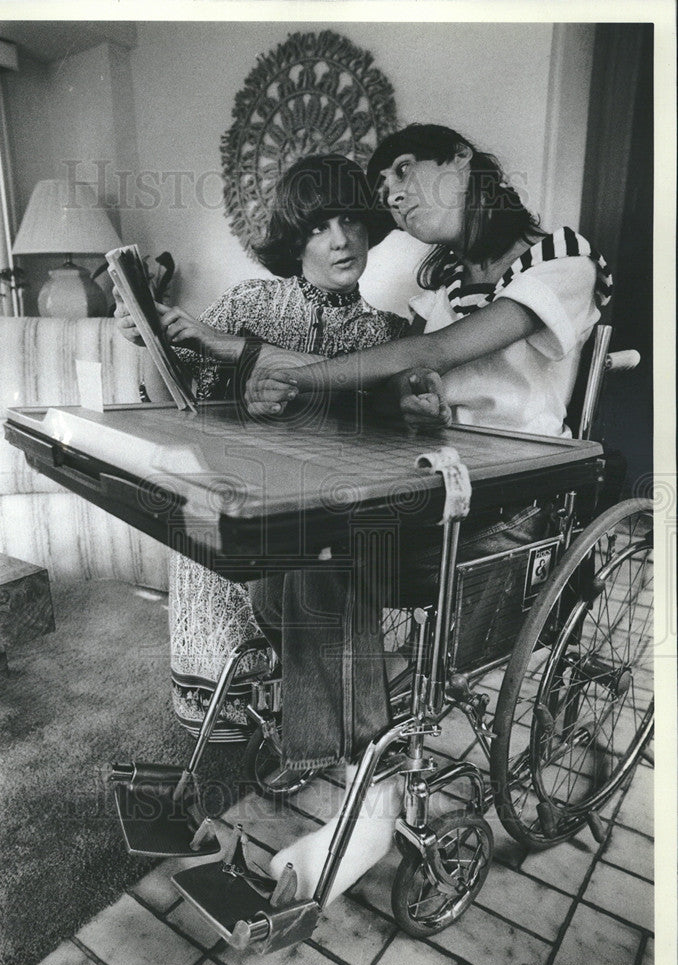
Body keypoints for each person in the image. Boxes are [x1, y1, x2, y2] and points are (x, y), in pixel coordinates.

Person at [242, 123, 613, 903]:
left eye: (406, 173)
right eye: (385, 191)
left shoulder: (562, 257)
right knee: (297, 574)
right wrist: (412, 406)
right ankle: (363, 776)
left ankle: (367, 814)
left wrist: (312, 376)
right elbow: (423, 383)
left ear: (464, 162)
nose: (397, 198)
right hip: (438, 498)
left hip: (516, 517)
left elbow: (433, 354)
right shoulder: (441, 279)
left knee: (324, 573)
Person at [115, 153, 408, 743]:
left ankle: (317, 735)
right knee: (225, 728)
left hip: (324, 508)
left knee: (317, 575)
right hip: (239, 495)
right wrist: (147, 341)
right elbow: (165, 396)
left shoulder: (389, 334)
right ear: (295, 240)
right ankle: (242, 729)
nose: (341, 240)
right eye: (319, 227)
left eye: (351, 221)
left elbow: (372, 412)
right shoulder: (250, 302)